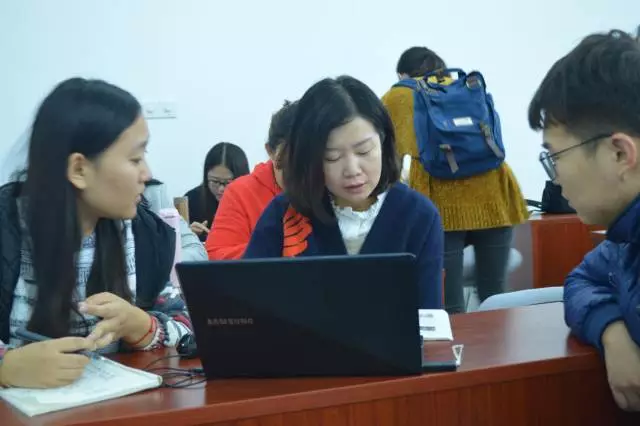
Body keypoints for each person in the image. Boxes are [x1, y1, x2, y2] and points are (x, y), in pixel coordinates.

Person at [0, 78, 191, 389]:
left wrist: (139, 325)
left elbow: (188, 326)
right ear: (79, 170)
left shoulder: (145, 235)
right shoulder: (7, 230)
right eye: (135, 159)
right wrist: (6, 367)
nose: (147, 174)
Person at [244, 76, 444, 309]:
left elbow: (429, 314)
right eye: (332, 157)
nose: (352, 170)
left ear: (384, 142)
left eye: (364, 151)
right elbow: (247, 299)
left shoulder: (418, 215)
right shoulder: (284, 213)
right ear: (310, 159)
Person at [528, 30, 640, 411]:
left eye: (556, 156)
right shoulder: (626, 238)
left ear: (619, 154)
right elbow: (581, 280)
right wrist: (612, 330)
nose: (555, 178)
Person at [382, 46, 528, 313]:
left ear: (403, 74)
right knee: (494, 297)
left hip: (442, 205)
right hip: (495, 196)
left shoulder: (397, 96)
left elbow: (385, 156)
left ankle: (458, 343)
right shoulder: (466, 88)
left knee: (449, 305)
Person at [206, 100, 298, 259]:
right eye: (292, 160)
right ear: (270, 151)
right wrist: (279, 248)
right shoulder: (240, 193)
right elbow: (217, 255)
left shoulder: (331, 187)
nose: (303, 172)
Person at [184, 142, 249, 241]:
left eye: (227, 183)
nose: (221, 189)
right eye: (215, 181)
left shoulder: (255, 201)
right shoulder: (191, 200)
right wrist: (188, 235)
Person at [142, 179, 207, 262]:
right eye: (215, 181)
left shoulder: (153, 192)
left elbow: (197, 251)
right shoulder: (194, 196)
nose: (147, 174)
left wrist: (166, 262)